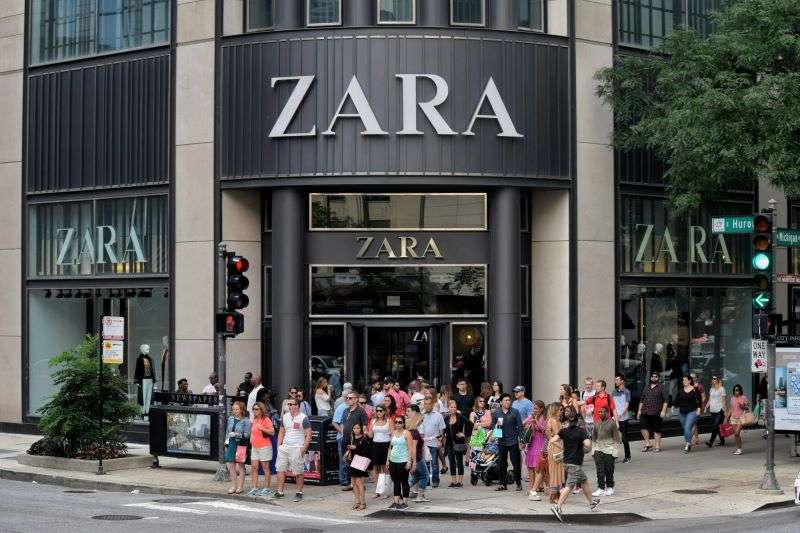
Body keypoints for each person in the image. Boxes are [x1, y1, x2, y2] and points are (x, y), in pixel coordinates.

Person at [549, 406, 600, 523]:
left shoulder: (563, 431)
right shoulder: (581, 431)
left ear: (568, 420)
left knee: (584, 481)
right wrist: (587, 441)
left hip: (566, 461)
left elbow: (553, 440)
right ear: (577, 420)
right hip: (575, 463)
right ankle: (557, 507)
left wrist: (564, 443)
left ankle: (592, 503)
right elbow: (587, 445)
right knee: (570, 486)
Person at [275, 395, 312, 502]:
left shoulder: (303, 418)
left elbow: (309, 435)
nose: (289, 406)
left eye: (292, 404)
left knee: (298, 471)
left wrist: (303, 449)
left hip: (297, 447)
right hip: (285, 447)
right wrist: (279, 446)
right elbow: (281, 431)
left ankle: (299, 492)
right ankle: (280, 491)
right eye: (288, 404)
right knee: (280, 469)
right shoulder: (285, 416)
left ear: (297, 406)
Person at [491, 393, 523, 491]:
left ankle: (518, 483)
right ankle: (503, 484)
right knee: (502, 463)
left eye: (509, 400)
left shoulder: (515, 412)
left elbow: (520, 427)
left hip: (513, 441)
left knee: (516, 463)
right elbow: (493, 425)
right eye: (506, 400)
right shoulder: (497, 413)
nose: (508, 402)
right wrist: (495, 433)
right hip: (501, 442)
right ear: (501, 402)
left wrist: (521, 439)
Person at [386, 415, 415, 510]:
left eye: (400, 422)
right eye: (396, 422)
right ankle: (396, 501)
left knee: (404, 481)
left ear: (403, 423)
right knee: (396, 482)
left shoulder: (407, 433)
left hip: (403, 460)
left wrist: (409, 461)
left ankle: (405, 502)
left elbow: (410, 448)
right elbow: (390, 447)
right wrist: (387, 460)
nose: (398, 424)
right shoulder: (393, 433)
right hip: (393, 460)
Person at [591, 406, 621, 497]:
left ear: (607, 413)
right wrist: (593, 451)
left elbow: (616, 439)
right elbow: (594, 439)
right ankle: (600, 488)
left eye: (602, 412)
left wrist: (615, 453)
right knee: (599, 471)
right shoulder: (596, 423)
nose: (600, 413)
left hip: (609, 450)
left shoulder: (612, 424)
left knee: (609, 470)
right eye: (599, 412)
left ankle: (610, 487)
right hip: (598, 450)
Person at [247, 401, 275, 496]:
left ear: (261, 410)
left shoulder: (266, 419)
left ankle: (267, 488)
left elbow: (272, 432)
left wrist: (262, 428)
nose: (254, 411)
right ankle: (254, 487)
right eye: (253, 409)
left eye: (256, 409)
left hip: (264, 447)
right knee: (254, 467)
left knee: (265, 468)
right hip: (255, 446)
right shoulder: (254, 419)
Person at [636, 371, 668, 453]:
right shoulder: (647, 387)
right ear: (650, 378)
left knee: (656, 430)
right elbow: (642, 399)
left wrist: (663, 411)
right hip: (645, 411)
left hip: (656, 412)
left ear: (658, 378)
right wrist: (639, 411)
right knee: (643, 427)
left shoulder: (662, 387)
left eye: (656, 376)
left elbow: (666, 400)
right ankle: (648, 444)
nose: (654, 378)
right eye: (652, 376)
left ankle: (657, 446)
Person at [419, 393, 446, 488]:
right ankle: (426, 480)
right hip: (424, 443)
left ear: (432, 404)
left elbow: (441, 430)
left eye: (428, 404)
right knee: (425, 463)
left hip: (434, 442)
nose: (427, 406)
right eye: (425, 404)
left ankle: (435, 480)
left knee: (434, 463)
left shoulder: (438, 416)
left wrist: (440, 441)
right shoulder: (421, 415)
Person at [367, 400, 392, 498]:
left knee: (385, 468)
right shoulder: (373, 421)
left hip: (386, 445)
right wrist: (365, 431)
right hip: (375, 445)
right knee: (376, 469)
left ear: (385, 411)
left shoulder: (389, 421)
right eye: (377, 411)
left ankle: (386, 491)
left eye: (381, 411)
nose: (379, 412)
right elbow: (370, 435)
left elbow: (392, 435)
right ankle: (378, 490)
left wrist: (391, 447)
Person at [523, 400, 548, 500]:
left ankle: (539, 487)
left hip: (539, 443)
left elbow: (544, 430)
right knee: (530, 467)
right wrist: (530, 420)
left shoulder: (544, 417)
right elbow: (523, 423)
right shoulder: (533, 416)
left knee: (538, 467)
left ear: (542, 409)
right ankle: (531, 487)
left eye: (536, 408)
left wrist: (535, 422)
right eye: (533, 408)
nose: (534, 410)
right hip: (531, 443)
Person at [225, 401, 251, 494]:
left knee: (240, 466)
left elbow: (247, 435)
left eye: (237, 409)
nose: (235, 411)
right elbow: (227, 432)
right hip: (231, 443)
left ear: (241, 409)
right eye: (233, 409)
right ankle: (233, 486)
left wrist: (236, 434)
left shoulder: (246, 420)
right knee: (231, 465)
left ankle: (240, 487)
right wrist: (226, 443)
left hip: (240, 444)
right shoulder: (231, 419)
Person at [444, 399, 471, 488]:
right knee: (451, 462)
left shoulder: (460, 417)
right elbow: (443, 428)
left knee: (459, 461)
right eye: (451, 407)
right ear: (448, 408)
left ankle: (460, 481)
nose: (453, 409)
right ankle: (453, 481)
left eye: (455, 407)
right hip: (449, 443)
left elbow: (470, 424)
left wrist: (464, 434)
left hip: (459, 443)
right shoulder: (446, 418)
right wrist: (443, 434)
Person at [345, 423, 372, 511]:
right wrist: (348, 451)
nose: (356, 430)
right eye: (354, 428)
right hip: (353, 462)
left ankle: (363, 502)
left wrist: (355, 448)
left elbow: (366, 453)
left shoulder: (364, 438)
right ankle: (357, 501)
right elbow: (350, 449)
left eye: (358, 428)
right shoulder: (352, 438)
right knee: (353, 482)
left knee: (359, 482)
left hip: (360, 462)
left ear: (361, 429)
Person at [405, 405, 430, 502]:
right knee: (424, 475)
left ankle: (404, 490)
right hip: (417, 457)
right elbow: (413, 448)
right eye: (421, 420)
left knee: (416, 477)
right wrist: (414, 462)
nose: (422, 422)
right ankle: (420, 495)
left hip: (415, 457)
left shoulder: (410, 431)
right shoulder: (414, 432)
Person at [545, 402, 565, 504]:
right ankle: (553, 496)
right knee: (554, 472)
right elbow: (549, 436)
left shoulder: (558, 421)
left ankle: (557, 495)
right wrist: (560, 446)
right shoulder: (551, 420)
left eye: (562, 410)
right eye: (560, 409)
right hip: (554, 448)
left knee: (559, 471)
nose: (562, 411)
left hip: (560, 448)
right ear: (555, 410)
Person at [675, 375, 701, 453]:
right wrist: (673, 406)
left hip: (692, 411)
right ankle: (689, 442)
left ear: (690, 381)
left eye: (685, 380)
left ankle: (687, 444)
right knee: (686, 428)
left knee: (687, 428)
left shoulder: (694, 389)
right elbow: (676, 400)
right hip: (682, 412)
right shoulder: (680, 390)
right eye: (683, 380)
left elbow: (699, 400)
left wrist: (699, 409)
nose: (684, 381)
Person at [332, 393, 352, 489]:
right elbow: (334, 422)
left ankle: (351, 480)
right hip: (342, 438)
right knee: (344, 459)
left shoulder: (356, 408)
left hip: (353, 438)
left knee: (352, 460)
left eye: (350, 398)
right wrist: (343, 433)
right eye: (347, 398)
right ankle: (344, 480)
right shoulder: (341, 408)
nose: (349, 399)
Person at [612, 374, 632, 463]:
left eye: (617, 380)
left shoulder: (627, 392)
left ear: (622, 381)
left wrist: (620, 414)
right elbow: (612, 406)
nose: (616, 381)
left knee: (624, 438)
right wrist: (614, 416)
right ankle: (614, 456)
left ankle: (628, 456)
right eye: (615, 380)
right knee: (614, 438)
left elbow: (626, 405)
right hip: (615, 418)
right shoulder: (614, 392)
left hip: (624, 418)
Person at [726, 383, 749, 455]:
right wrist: (727, 417)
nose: (736, 391)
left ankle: (739, 449)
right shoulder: (732, 398)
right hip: (733, 418)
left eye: (737, 390)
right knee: (736, 435)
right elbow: (731, 408)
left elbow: (747, 408)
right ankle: (738, 448)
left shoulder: (744, 397)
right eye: (735, 390)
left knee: (736, 433)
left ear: (740, 390)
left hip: (741, 418)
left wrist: (742, 406)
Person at [705, 375, 727, 447]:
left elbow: (723, 401)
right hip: (712, 410)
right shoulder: (711, 389)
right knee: (718, 426)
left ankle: (710, 442)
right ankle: (722, 441)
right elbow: (710, 399)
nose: (713, 380)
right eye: (712, 379)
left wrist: (725, 410)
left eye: (715, 379)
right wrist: (706, 407)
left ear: (718, 380)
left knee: (715, 426)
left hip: (720, 410)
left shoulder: (722, 389)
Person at [690, 372, 706, 445]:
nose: (692, 378)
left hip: (697, 407)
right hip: (689, 407)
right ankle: (696, 438)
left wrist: (700, 405)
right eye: (691, 377)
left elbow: (703, 397)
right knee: (694, 423)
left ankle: (692, 438)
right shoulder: (688, 385)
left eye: (693, 377)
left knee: (693, 423)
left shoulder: (700, 386)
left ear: (696, 378)